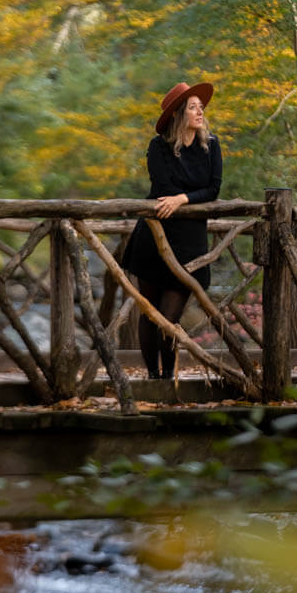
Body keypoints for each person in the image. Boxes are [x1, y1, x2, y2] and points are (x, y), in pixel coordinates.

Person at [122, 81, 223, 379]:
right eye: (193, 107)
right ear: (179, 114)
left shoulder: (211, 145)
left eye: (201, 107)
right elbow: (162, 186)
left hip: (190, 242)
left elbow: (213, 189)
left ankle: (168, 379)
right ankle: (154, 377)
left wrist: (183, 199)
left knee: (170, 317)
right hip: (154, 238)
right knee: (150, 313)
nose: (200, 112)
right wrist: (181, 194)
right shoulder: (159, 147)